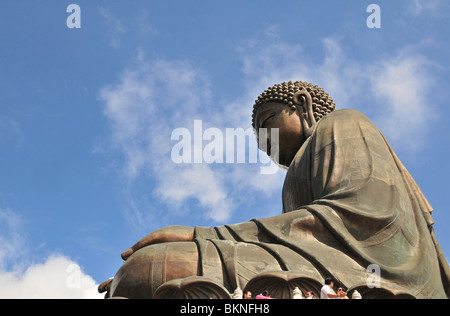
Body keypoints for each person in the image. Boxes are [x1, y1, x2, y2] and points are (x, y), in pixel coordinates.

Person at [101, 80, 449, 299]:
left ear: (303, 105)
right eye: (256, 138)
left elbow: (364, 214)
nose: (263, 142)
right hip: (317, 262)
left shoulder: (342, 123)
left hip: (371, 274)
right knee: (141, 272)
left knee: (145, 270)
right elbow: (299, 239)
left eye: (267, 124)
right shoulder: (295, 174)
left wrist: (203, 235)